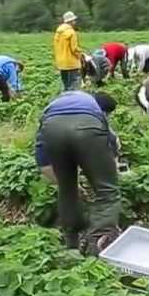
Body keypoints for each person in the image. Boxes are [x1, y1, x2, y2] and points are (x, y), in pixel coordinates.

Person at [35, 91, 121, 256]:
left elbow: (43, 162)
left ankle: (71, 244)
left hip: (52, 129)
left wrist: (69, 183)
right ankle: (98, 245)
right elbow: (112, 142)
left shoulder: (52, 108)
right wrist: (111, 170)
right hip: (87, 127)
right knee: (107, 192)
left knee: (67, 190)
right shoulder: (93, 108)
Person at [53, 11, 82, 91]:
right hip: (71, 63)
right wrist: (81, 55)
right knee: (73, 86)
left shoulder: (58, 33)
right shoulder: (71, 32)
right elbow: (74, 49)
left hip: (61, 63)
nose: (75, 22)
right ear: (71, 21)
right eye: (74, 20)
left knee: (65, 86)